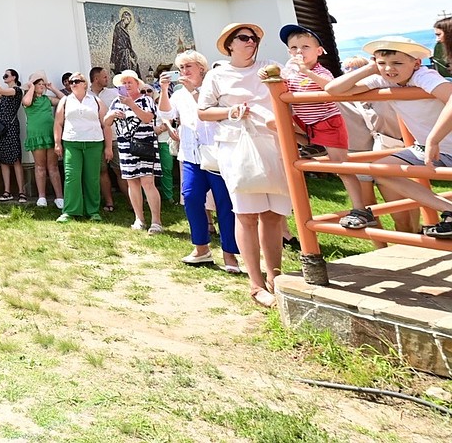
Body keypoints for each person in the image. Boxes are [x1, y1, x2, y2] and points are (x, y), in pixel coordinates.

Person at [197, 23, 287, 309]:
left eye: (255, 38)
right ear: (230, 45)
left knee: (273, 214)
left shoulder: (270, 67)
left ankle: (275, 275)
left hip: (272, 143)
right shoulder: (217, 74)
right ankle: (255, 283)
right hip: (237, 145)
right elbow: (203, 111)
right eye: (244, 38)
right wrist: (230, 111)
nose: (251, 42)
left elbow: (287, 94)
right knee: (247, 213)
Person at [327, 36, 452, 237]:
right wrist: (370, 68)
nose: (389, 69)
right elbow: (332, 89)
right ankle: (449, 208)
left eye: (397, 63)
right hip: (428, 149)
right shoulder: (382, 78)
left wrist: (433, 139)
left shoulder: (424, 76)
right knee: (380, 170)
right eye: (382, 63)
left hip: (436, 145)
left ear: (416, 63)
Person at [277, 24, 370, 227]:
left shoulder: (321, 70)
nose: (299, 52)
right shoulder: (290, 71)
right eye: (293, 48)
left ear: (319, 51)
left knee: (342, 168)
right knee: (272, 122)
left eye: (305, 47)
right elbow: (280, 85)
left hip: (327, 122)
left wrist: (306, 72)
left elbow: (328, 86)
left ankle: (361, 209)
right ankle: (312, 144)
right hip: (305, 123)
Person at [157, 53, 240, 272]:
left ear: (201, 67)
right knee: (192, 198)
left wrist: (194, 90)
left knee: (225, 204)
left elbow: (207, 111)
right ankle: (201, 248)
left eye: (188, 66)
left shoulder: (213, 87)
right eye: (181, 67)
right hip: (190, 154)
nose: (184, 71)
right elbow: (165, 112)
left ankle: (230, 255)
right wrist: (164, 90)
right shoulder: (178, 93)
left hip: (215, 154)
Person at [104, 71, 162, 233]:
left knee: (148, 182)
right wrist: (111, 115)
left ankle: (156, 221)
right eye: (124, 83)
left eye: (130, 82)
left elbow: (148, 118)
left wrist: (131, 105)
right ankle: (139, 219)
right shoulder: (116, 101)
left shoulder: (146, 100)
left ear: (137, 84)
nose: (127, 86)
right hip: (125, 147)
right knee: (132, 182)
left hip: (145, 145)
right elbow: (106, 123)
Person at [53, 73, 111, 221]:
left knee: (92, 178)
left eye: (77, 81)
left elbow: (106, 125)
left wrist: (108, 147)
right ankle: (70, 211)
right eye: (71, 81)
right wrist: (57, 143)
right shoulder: (65, 101)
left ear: (85, 84)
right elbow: (58, 123)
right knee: (71, 177)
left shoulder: (95, 100)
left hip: (94, 142)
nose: (73, 83)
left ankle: (93, 211)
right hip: (72, 142)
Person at [22, 72, 64, 209]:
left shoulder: (47, 99)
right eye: (38, 84)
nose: (41, 86)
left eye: (42, 84)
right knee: (39, 166)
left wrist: (52, 89)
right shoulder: (28, 98)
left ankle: (59, 197)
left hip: (49, 134)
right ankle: (41, 197)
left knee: (53, 166)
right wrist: (31, 88)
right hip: (36, 134)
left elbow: (65, 100)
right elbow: (26, 102)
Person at [0, 65, 25, 202]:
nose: (4, 78)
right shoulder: (4, 92)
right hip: (1, 128)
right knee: (3, 159)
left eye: (6, 76)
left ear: (14, 77)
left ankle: (21, 192)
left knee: (15, 159)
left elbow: (0, 90)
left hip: (11, 127)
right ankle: (7, 191)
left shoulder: (16, 90)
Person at [90, 66, 123, 210]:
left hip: (115, 137)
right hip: (96, 138)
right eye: (104, 77)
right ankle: (109, 202)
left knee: (120, 170)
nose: (107, 79)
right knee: (102, 171)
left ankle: (133, 202)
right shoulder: (86, 96)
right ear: (96, 79)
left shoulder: (113, 93)